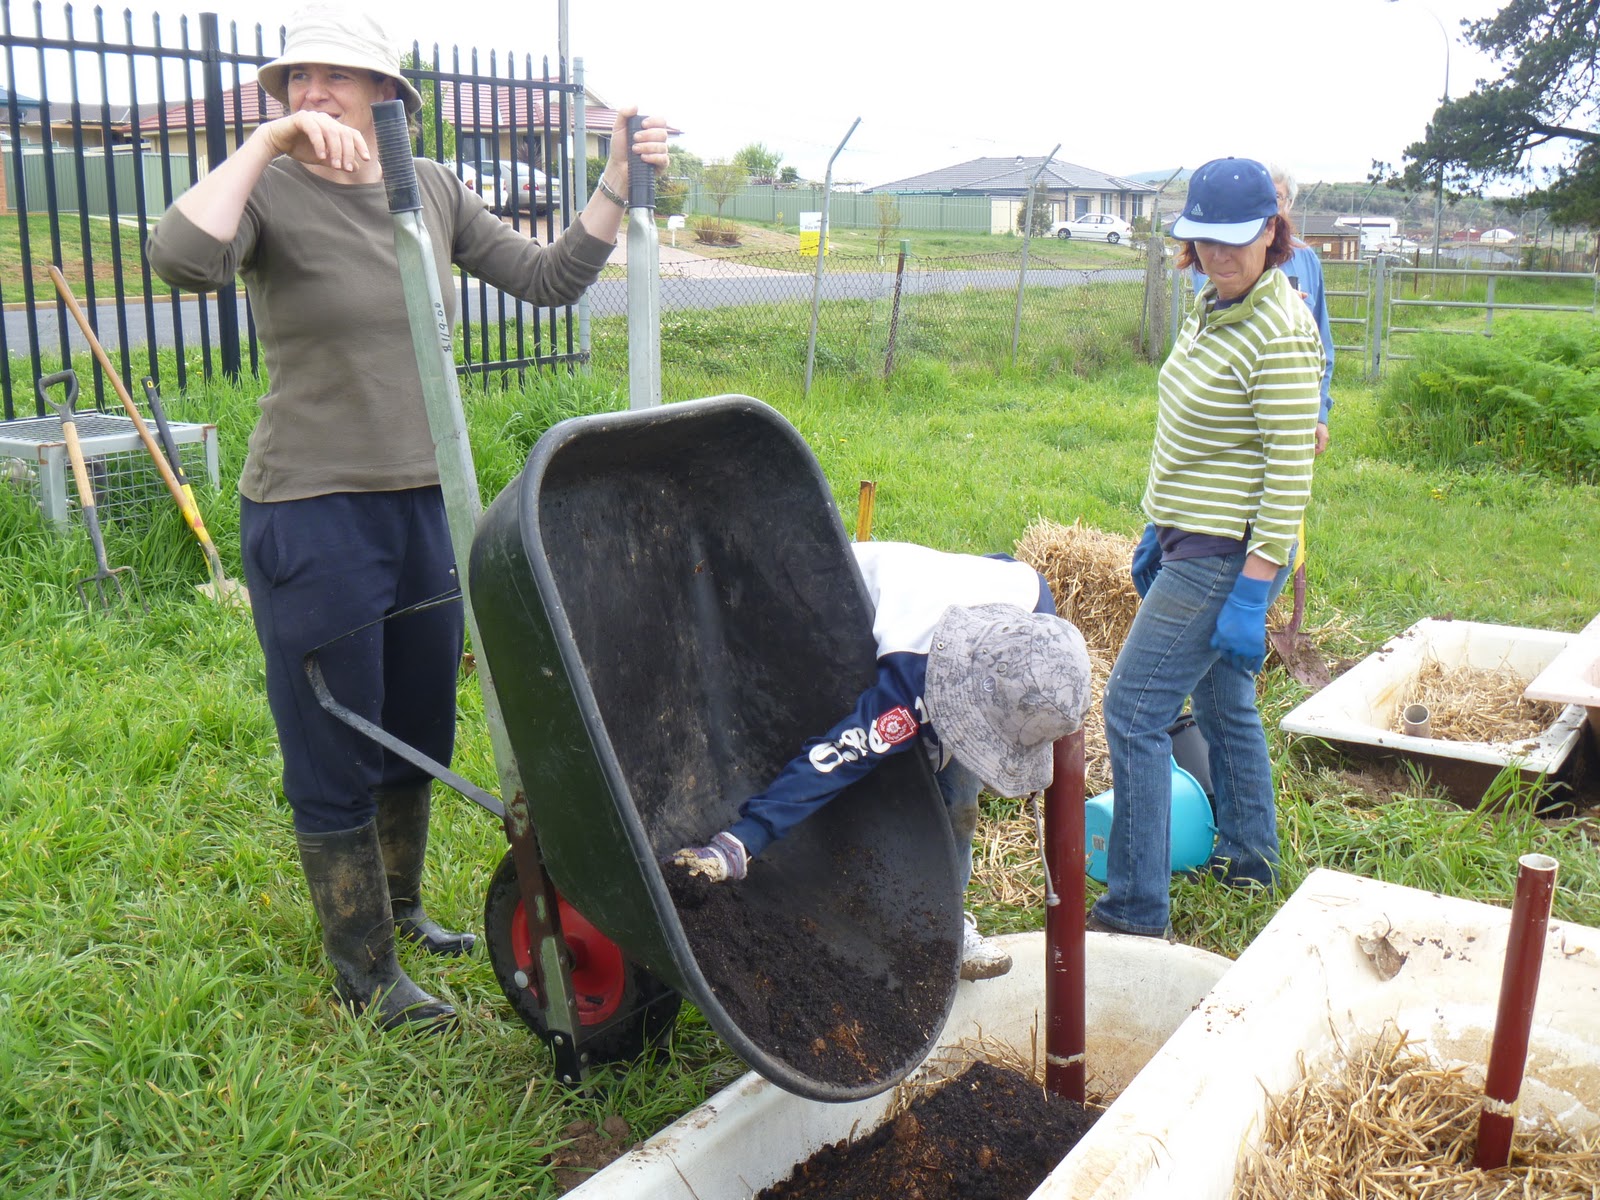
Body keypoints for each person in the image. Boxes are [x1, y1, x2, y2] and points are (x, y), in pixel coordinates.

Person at [146, 5, 669, 1031]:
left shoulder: (427, 189)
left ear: (389, 94)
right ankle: (363, 969)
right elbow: (178, 258)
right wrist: (260, 146)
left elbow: (551, 280)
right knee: (332, 737)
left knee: (415, 723)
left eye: (336, 78)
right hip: (312, 509)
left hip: (428, 505)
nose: (311, 95)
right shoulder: (272, 194)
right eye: (295, 81)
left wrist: (613, 175)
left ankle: (401, 909)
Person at [670, 541, 1092, 981]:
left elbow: (997, 568)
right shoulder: (910, 680)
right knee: (876, 772)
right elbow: (840, 755)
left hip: (954, 645)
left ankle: (948, 922)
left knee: (960, 800)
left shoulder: (1037, 609)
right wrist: (740, 844)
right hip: (832, 618)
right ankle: (864, 907)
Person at [1098, 158, 1322, 939]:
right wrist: (1159, 527)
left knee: (1132, 711)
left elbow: (1290, 470)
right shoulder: (1215, 306)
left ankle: (1134, 909)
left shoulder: (1279, 328)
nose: (1220, 256)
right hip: (1190, 537)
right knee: (1224, 701)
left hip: (1227, 554)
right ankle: (1250, 854)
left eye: (1236, 241)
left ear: (1271, 231)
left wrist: (1255, 589)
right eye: (1204, 240)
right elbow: (1201, 445)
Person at [1189, 162, 1335, 456]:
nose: (1219, 253)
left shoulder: (1307, 260)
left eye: (1277, 198)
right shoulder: (1220, 262)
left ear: (1288, 205)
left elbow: (1322, 337)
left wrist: (1320, 410)